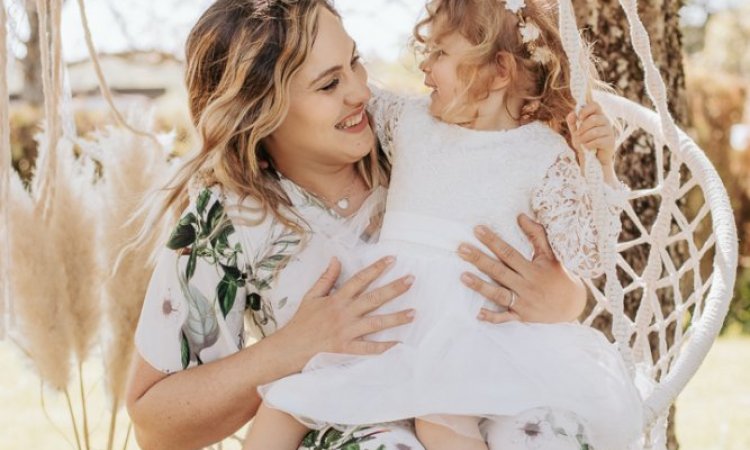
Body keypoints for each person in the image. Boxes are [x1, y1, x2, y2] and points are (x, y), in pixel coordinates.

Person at [125, 1, 595, 449]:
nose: (361, 92)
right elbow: (155, 425)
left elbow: (548, 227)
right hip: (353, 427)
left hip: (484, 399)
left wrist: (563, 299)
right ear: (260, 108)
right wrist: (293, 349)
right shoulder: (226, 219)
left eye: (356, 62)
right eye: (329, 85)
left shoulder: (423, 140)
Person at [244, 0, 643, 449]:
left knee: (442, 419)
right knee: (282, 404)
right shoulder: (411, 121)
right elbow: (340, 91)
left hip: (474, 332)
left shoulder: (542, 154)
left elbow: (591, 255)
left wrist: (600, 168)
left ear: (499, 72)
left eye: (440, 54)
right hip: (389, 319)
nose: (425, 66)